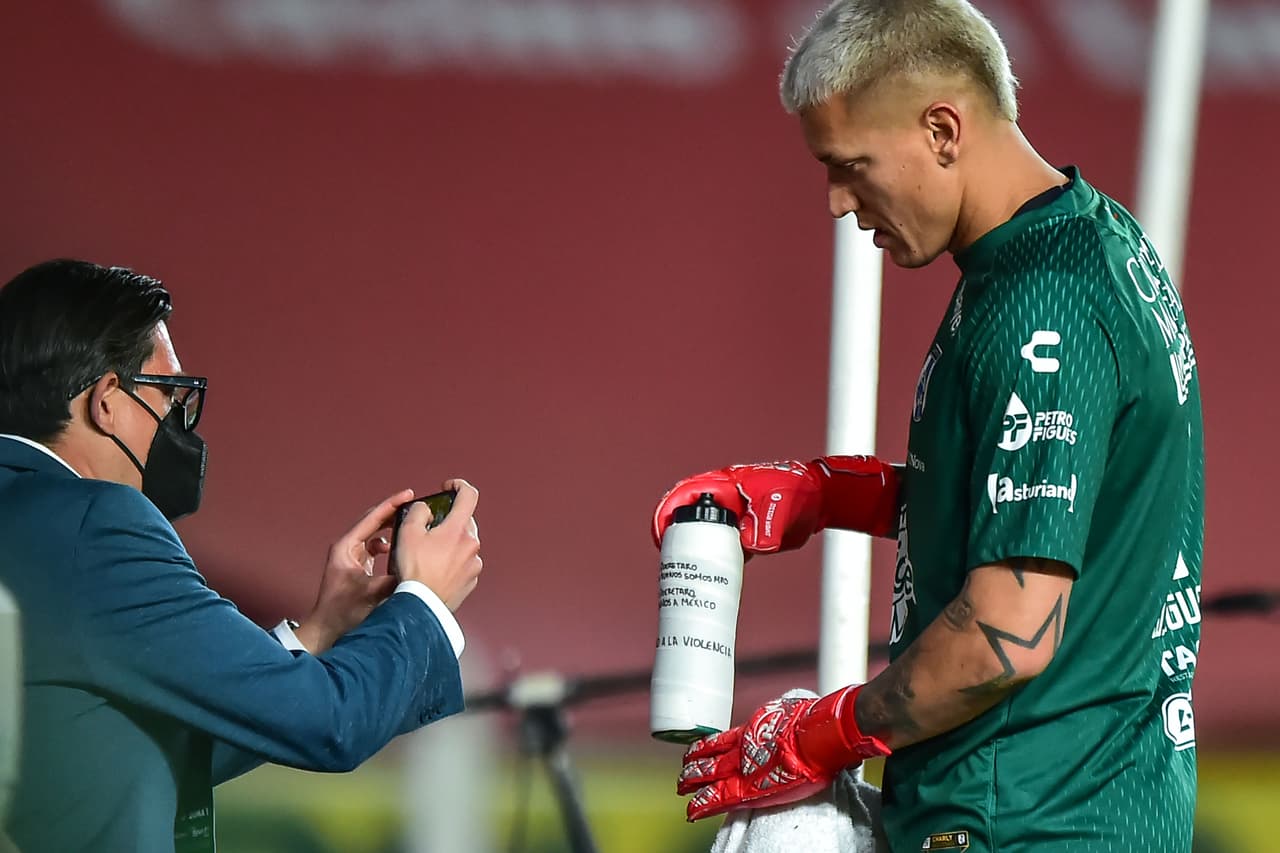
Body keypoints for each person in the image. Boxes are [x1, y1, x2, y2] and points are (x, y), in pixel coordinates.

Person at [651, 1, 1203, 851]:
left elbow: (1007, 634)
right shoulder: (1086, 244)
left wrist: (821, 734)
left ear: (943, 129)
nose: (838, 202)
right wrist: (825, 495)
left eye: (852, 165)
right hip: (1085, 804)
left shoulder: (1039, 310)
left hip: (1027, 820)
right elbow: (1028, 504)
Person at [0, 259, 484, 853]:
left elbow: (132, 751)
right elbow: (330, 723)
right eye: (172, 394)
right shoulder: (95, 523)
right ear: (106, 401)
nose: (181, 421)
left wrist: (321, 629)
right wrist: (425, 600)